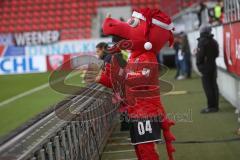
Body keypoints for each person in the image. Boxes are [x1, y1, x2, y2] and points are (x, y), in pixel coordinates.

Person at [196, 25, 219, 114]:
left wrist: (199, 66)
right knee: (214, 86)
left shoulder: (202, 42)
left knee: (208, 87)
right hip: (213, 65)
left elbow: (200, 56)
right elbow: (217, 54)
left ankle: (211, 107)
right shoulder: (214, 41)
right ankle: (215, 106)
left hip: (205, 67)